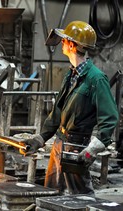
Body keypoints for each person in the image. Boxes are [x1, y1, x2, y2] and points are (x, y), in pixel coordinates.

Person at [23, 21, 118, 195]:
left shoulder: (96, 79)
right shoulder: (72, 74)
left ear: (72, 45)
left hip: (76, 147)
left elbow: (110, 118)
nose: (62, 43)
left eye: (65, 40)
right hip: (59, 143)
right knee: (51, 194)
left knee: (81, 197)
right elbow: (58, 111)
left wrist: (91, 150)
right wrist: (40, 138)